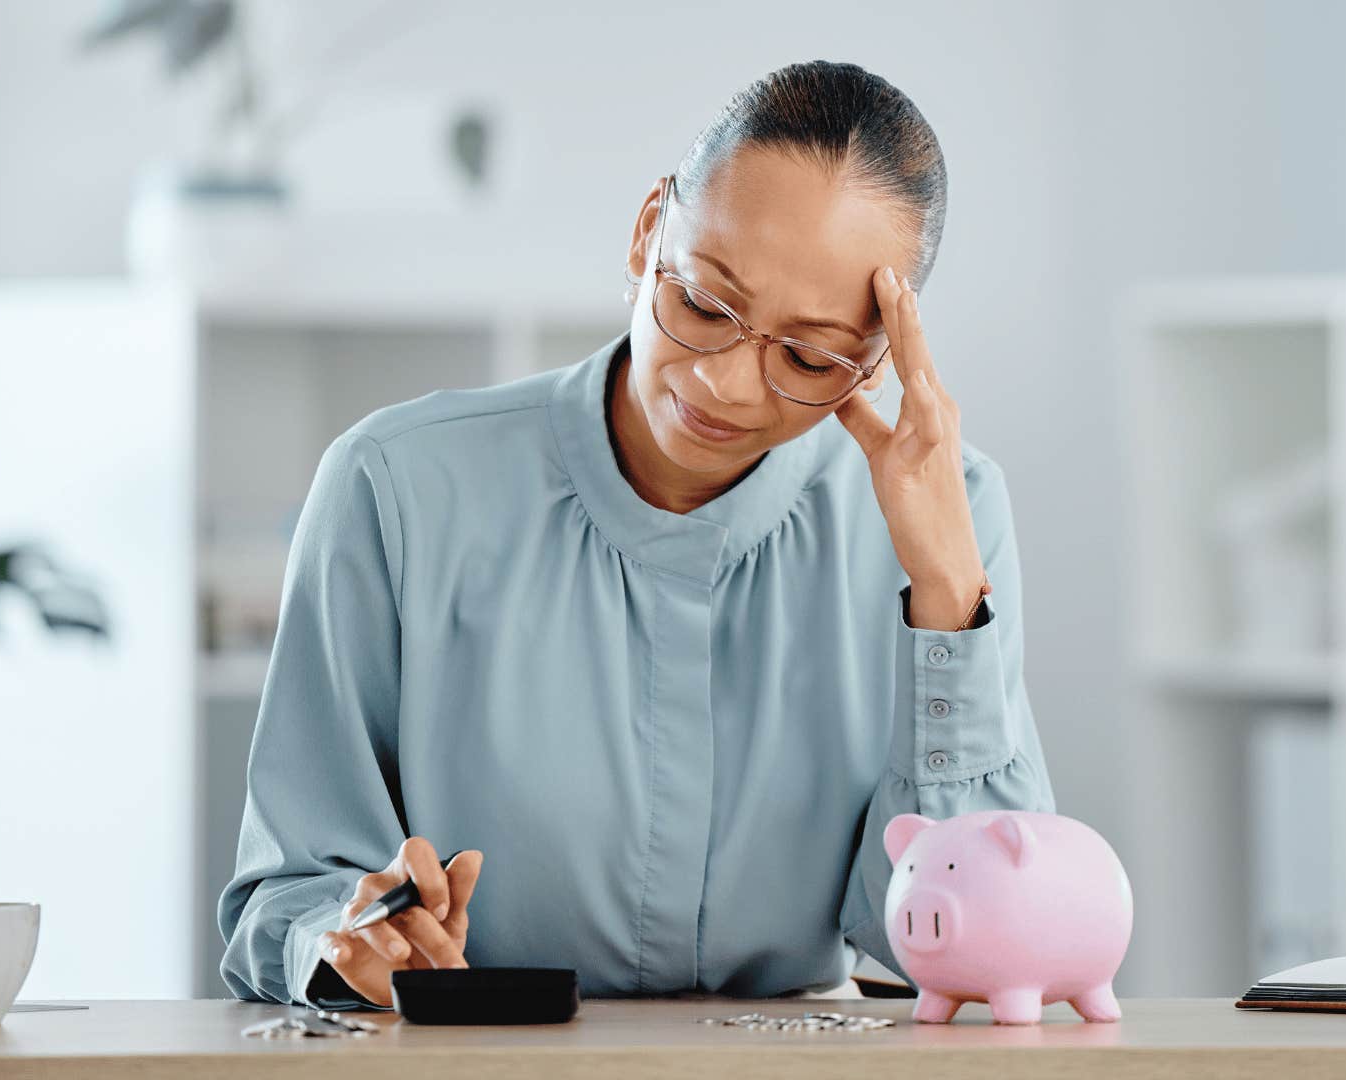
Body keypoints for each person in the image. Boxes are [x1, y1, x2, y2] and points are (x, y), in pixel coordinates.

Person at [217, 59, 1056, 1009]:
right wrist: (350, 942)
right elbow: (281, 898)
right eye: (703, 303)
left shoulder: (947, 512)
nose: (727, 384)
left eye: (811, 355)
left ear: (879, 356)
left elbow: (974, 955)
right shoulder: (395, 487)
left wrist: (946, 594)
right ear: (647, 231)